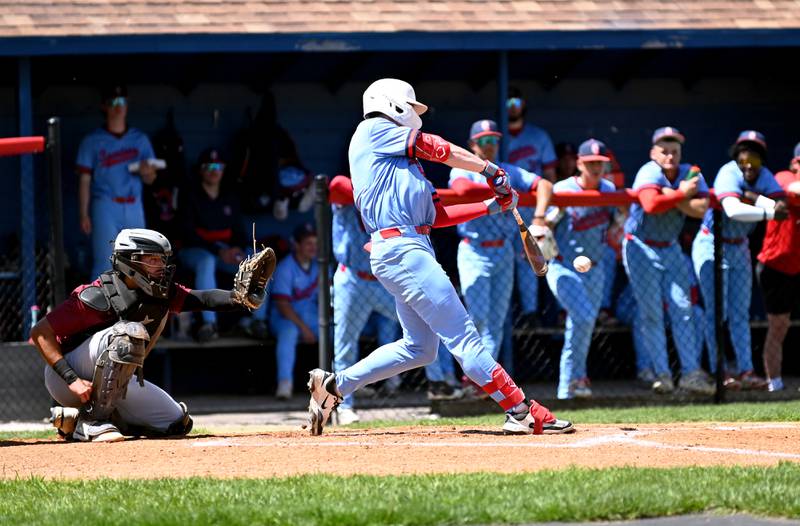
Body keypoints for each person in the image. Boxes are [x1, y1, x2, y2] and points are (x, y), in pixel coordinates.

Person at [306, 78, 573, 436]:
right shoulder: (373, 130)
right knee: (463, 337)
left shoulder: (400, 163)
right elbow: (436, 147)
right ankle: (521, 410)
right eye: (410, 107)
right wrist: (489, 169)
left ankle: (334, 387)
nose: (415, 116)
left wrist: (491, 206)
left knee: (420, 348)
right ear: (392, 103)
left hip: (407, 248)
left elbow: (438, 213)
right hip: (402, 249)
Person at [30, 228, 275, 442]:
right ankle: (94, 421)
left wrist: (238, 297)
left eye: (162, 259)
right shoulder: (95, 295)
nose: (161, 266)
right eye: (153, 259)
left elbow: (200, 298)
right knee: (128, 333)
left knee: (176, 423)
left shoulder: (160, 292)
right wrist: (71, 379)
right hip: (65, 377)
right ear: (131, 262)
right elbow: (40, 333)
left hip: (112, 380)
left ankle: (76, 422)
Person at [448, 119, 552, 363]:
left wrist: (539, 216)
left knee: (496, 320)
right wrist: (502, 191)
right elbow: (462, 190)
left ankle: (484, 380)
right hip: (474, 250)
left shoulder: (508, 171)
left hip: (503, 250)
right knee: (477, 318)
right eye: (484, 140)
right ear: (473, 145)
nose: (490, 145)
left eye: (494, 140)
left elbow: (545, 184)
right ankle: (470, 372)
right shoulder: (463, 169)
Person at [692, 131, 788, 390]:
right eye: (743, 156)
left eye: (754, 158)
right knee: (716, 312)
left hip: (739, 247)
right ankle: (718, 370)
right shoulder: (728, 172)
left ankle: (745, 370)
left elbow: (782, 202)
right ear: (736, 157)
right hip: (711, 243)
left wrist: (758, 197)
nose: (748, 164)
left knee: (739, 313)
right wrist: (768, 209)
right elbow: (733, 210)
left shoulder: (764, 175)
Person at [623, 126, 715, 395]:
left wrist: (674, 197)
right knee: (651, 313)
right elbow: (651, 204)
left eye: (675, 150)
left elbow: (701, 210)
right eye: (664, 150)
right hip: (641, 245)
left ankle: (690, 373)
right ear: (654, 152)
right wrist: (682, 194)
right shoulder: (649, 170)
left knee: (683, 308)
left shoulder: (691, 171)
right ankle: (662, 374)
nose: (670, 155)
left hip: (670, 247)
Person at [546, 139, 622, 399]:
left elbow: (616, 221)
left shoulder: (609, 189)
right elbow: (545, 227)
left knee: (583, 325)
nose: (596, 168)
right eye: (590, 163)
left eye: (600, 163)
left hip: (595, 269)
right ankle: (568, 385)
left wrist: (616, 229)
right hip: (563, 266)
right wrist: (548, 253)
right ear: (579, 163)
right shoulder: (563, 189)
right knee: (584, 317)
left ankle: (577, 379)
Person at [177, 148, 269, 342]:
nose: (214, 170)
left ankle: (256, 320)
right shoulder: (191, 196)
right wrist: (220, 251)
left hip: (224, 253)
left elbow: (240, 234)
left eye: (218, 166)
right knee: (207, 261)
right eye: (209, 166)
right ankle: (209, 323)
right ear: (201, 170)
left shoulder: (230, 197)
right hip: (194, 253)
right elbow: (188, 235)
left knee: (259, 261)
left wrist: (234, 249)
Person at [329, 185, 401, 424]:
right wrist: (370, 187)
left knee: (427, 320)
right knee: (345, 344)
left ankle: (440, 385)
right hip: (352, 279)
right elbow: (335, 186)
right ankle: (344, 405)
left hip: (383, 281)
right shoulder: (351, 193)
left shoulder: (384, 194)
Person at [77, 84, 158, 280]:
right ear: (104, 106)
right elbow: (84, 179)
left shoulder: (139, 139)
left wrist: (148, 172)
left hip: (133, 204)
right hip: (105, 204)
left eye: (122, 102)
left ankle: (136, 310)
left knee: (140, 261)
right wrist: (83, 213)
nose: (118, 107)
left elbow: (151, 179)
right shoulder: (92, 140)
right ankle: (100, 310)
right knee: (104, 262)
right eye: (113, 102)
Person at [506, 87, 557, 327]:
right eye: (508, 101)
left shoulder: (538, 136)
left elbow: (550, 175)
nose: (512, 106)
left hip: (531, 208)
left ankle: (530, 313)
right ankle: (512, 313)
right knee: (506, 259)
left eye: (517, 100)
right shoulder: (496, 138)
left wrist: (547, 210)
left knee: (532, 259)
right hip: (500, 211)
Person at [756, 141, 800, 392]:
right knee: (779, 325)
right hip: (775, 266)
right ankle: (775, 383)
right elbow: (792, 187)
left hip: (798, 267)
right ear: (795, 163)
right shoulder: (782, 177)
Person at [270, 223, 319, 400]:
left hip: (311, 318)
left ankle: (346, 383)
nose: (313, 247)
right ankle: (285, 383)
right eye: (308, 243)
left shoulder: (319, 266)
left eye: (315, 242)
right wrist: (304, 328)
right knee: (289, 332)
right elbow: (282, 305)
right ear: (296, 245)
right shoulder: (285, 267)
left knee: (336, 330)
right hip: (286, 319)